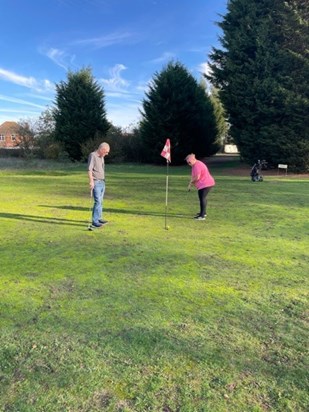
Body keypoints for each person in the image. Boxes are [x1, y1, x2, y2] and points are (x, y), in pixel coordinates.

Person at [186, 153, 215, 220]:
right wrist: (190, 184)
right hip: (206, 183)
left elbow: (197, 177)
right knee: (203, 198)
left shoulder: (197, 165)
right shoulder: (195, 165)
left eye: (189, 162)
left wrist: (191, 183)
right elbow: (194, 176)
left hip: (205, 184)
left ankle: (202, 216)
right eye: (188, 163)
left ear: (193, 159)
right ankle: (203, 212)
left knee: (202, 198)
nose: (189, 164)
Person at [88, 142, 110, 227]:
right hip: (96, 182)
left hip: (102, 182)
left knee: (101, 201)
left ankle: (99, 218)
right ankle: (95, 221)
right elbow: (89, 170)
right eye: (106, 152)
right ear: (102, 149)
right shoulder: (92, 155)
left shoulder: (102, 157)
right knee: (97, 201)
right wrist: (91, 181)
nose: (107, 154)